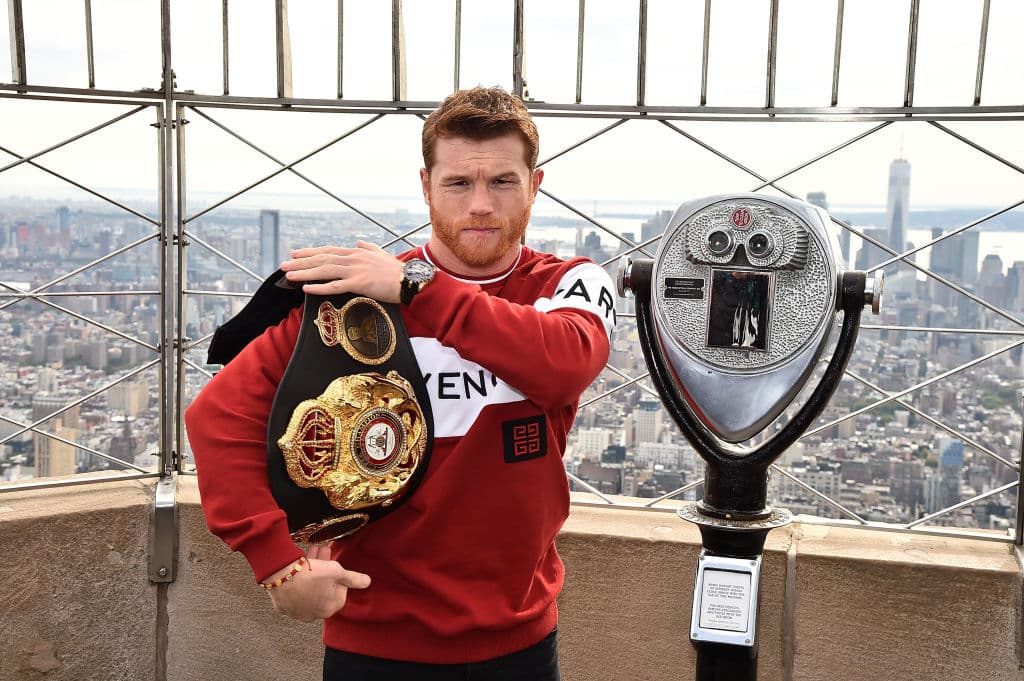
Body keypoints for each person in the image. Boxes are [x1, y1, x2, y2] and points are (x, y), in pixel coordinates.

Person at [185, 86, 616, 681]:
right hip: (373, 641)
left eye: (503, 182)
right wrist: (276, 563)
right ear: (426, 185)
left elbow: (564, 363)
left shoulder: (569, 283)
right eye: (459, 183)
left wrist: (418, 287)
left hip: (520, 638)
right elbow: (217, 417)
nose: (482, 205)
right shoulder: (355, 301)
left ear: (535, 186)